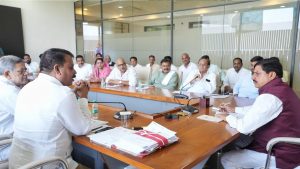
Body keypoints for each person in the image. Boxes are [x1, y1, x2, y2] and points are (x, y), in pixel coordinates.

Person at [9, 48, 93, 169]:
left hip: (19, 163)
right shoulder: (63, 94)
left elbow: (51, 103)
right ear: (57, 69)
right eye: (70, 67)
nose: (74, 72)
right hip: (49, 164)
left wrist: (72, 93)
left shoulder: (26, 88)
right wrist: (83, 97)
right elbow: (83, 129)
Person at [218, 58, 300, 169]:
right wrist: (235, 110)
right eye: (253, 73)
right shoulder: (282, 89)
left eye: (257, 74)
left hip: (281, 154)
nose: (253, 77)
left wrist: (227, 117)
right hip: (289, 148)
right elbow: (258, 110)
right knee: (240, 142)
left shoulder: (271, 96)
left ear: (271, 75)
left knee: (227, 159)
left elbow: (244, 127)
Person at [0, 55, 28, 161]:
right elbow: (33, 116)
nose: (26, 73)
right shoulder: (8, 92)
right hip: (7, 145)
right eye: (21, 71)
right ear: (7, 74)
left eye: (25, 70)